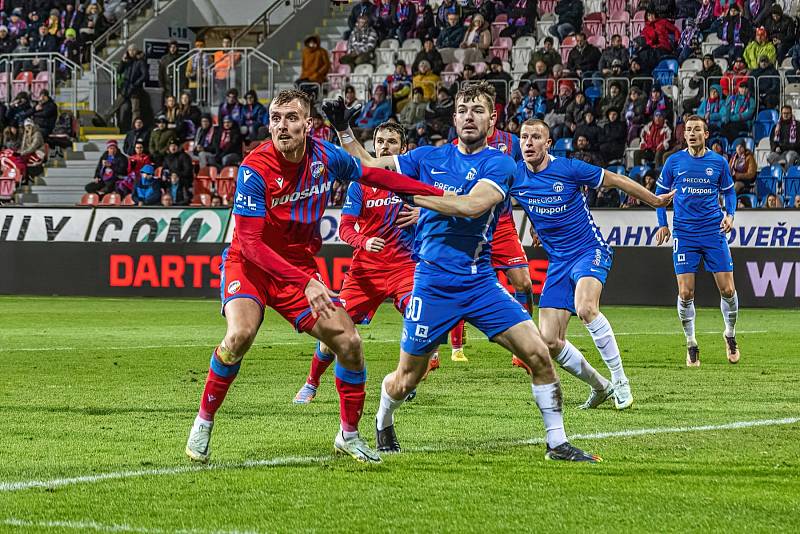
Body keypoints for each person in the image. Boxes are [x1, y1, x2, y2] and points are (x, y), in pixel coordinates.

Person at [326, 82, 601, 462]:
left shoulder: (500, 163)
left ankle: (557, 443)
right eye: (462, 110)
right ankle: (383, 419)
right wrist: (344, 131)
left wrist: (411, 193)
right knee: (407, 378)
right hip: (432, 284)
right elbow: (370, 167)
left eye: (478, 110)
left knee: (539, 354)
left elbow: (472, 206)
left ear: (492, 119)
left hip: (479, 283)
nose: (469, 116)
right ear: (454, 118)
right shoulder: (428, 157)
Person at [184, 89, 445, 464]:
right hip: (251, 265)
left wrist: (437, 197)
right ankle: (204, 421)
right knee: (239, 334)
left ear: (308, 124)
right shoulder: (254, 169)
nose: (281, 125)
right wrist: (307, 282)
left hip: (299, 269)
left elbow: (377, 176)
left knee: (350, 342)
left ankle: (349, 436)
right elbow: (253, 245)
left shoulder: (325, 157)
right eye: (275, 118)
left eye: (291, 117)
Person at [515, 119, 673, 407]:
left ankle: (621, 380)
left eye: (536, 137)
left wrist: (656, 201)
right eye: (524, 137)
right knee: (549, 341)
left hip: (589, 249)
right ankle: (601, 386)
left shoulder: (569, 168)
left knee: (586, 308)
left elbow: (616, 179)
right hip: (558, 261)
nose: (528, 142)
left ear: (548, 144)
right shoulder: (515, 176)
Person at [293, 121, 435, 404]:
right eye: (380, 141)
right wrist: (364, 241)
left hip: (404, 267)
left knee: (422, 321)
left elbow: (447, 205)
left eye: (391, 142)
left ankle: (407, 379)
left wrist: (424, 213)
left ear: (402, 150)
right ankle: (311, 382)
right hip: (364, 271)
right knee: (334, 329)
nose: (384, 146)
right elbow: (345, 227)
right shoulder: (361, 184)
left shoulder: (413, 181)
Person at [655, 115, 740, 367]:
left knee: (728, 290)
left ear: (706, 134)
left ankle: (730, 335)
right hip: (684, 233)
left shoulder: (718, 162)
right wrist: (663, 224)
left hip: (713, 232)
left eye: (696, 130)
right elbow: (660, 195)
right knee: (685, 292)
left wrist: (731, 215)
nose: (691, 133)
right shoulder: (673, 162)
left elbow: (729, 192)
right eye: (688, 130)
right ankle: (691, 343)